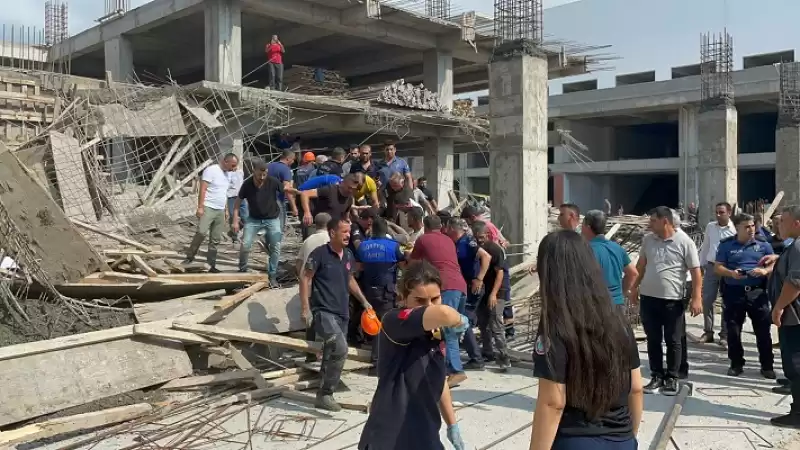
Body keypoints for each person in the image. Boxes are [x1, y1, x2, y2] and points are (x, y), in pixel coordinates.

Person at [530, 230, 643, 450]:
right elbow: (636, 387)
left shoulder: (555, 325)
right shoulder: (618, 319)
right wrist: (630, 437)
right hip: (622, 439)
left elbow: (553, 402)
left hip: (576, 439)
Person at [358, 261, 468, 450]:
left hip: (424, 431)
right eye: (420, 301)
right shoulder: (394, 321)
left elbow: (439, 377)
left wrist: (452, 424)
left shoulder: (435, 331)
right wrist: (459, 320)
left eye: (435, 298)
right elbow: (443, 312)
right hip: (391, 436)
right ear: (402, 298)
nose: (429, 306)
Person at [300, 218, 372, 411]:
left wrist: (364, 301)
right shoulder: (319, 254)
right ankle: (326, 393)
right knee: (340, 348)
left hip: (342, 312)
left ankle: (322, 394)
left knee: (331, 352)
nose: (348, 235)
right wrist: (305, 308)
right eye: (344, 231)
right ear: (332, 233)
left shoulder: (348, 255)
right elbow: (305, 278)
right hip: (323, 311)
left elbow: (349, 280)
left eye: (349, 231)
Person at [630, 206, 702, 396]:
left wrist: (697, 297)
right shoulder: (648, 240)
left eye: (653, 220)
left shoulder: (684, 242)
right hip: (648, 298)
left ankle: (672, 377)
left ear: (665, 221)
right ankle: (656, 375)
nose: (649, 224)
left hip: (672, 299)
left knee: (673, 339)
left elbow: (696, 272)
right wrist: (634, 287)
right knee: (653, 339)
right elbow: (641, 265)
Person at [410, 215, 470, 386]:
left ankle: (456, 371)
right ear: (441, 226)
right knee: (455, 327)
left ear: (425, 226)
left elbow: (413, 263)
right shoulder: (449, 240)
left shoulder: (423, 239)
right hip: (460, 285)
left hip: (446, 286)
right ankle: (450, 367)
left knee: (447, 328)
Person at [713, 213, 775, 378]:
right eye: (747, 226)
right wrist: (731, 273)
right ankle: (736, 363)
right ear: (737, 228)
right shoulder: (726, 245)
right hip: (734, 293)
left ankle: (767, 366)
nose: (751, 229)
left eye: (753, 225)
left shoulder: (763, 245)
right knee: (733, 331)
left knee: (763, 331)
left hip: (757, 292)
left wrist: (764, 270)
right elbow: (717, 267)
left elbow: (774, 263)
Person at [760, 206, 800, 427]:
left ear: (796, 224)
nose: (778, 225)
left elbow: (795, 282)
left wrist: (778, 307)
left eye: (783, 221)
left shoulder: (798, 247)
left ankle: (798, 414)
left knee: (795, 364)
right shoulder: (793, 247)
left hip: (794, 316)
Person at [233, 161, 298, 285]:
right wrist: (235, 220)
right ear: (254, 172)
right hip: (253, 219)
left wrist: (292, 192)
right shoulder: (247, 184)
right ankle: (242, 269)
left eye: (264, 175)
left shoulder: (272, 181)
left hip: (272, 219)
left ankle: (272, 275)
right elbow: (238, 202)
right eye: (259, 175)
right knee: (246, 244)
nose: (262, 178)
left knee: (275, 246)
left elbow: (284, 188)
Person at [357, 218, 407, 368]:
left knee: (372, 322)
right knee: (385, 325)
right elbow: (404, 265)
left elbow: (358, 267)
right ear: (386, 230)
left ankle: (376, 357)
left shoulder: (363, 246)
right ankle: (378, 361)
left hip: (367, 291)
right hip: (386, 291)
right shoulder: (393, 246)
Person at [447, 218, 491, 370]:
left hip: (473, 287)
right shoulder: (457, 244)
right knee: (462, 321)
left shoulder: (467, 242)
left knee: (462, 321)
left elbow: (486, 257)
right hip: (465, 286)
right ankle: (475, 357)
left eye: (448, 229)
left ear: (453, 229)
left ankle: (476, 358)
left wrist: (479, 279)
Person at [184, 153, 238, 272]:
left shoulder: (228, 175)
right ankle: (189, 257)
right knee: (201, 232)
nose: (234, 168)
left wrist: (226, 210)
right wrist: (200, 207)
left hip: (220, 210)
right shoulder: (211, 170)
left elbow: (224, 193)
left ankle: (211, 265)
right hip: (208, 206)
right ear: (225, 161)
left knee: (215, 239)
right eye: (233, 165)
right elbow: (202, 189)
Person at [471, 221, 511, 370]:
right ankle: (488, 353)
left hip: (497, 291)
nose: (479, 240)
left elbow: (500, 274)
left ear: (487, 235)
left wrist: (493, 294)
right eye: (476, 237)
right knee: (483, 324)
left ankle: (503, 357)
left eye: (481, 237)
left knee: (496, 324)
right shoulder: (475, 248)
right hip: (483, 291)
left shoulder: (494, 249)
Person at [581, 210, 638, 311]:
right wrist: (621, 293)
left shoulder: (585, 250)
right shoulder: (617, 248)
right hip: (617, 305)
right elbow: (633, 273)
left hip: (595, 307)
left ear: (587, 227)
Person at [698, 202, 735, 346]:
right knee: (707, 300)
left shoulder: (734, 230)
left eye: (722, 212)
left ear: (729, 213)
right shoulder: (710, 227)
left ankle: (724, 334)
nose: (719, 215)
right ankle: (708, 332)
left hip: (727, 268)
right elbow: (706, 245)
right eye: (717, 212)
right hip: (711, 266)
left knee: (727, 302)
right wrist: (701, 265)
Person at [267, 149, 298, 230]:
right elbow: (287, 189)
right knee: (279, 226)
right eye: (293, 159)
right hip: (277, 201)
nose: (293, 162)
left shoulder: (269, 166)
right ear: (288, 159)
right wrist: (294, 207)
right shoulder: (285, 169)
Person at [226, 162, 246, 244]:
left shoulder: (241, 172)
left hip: (241, 197)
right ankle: (235, 236)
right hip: (231, 197)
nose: (234, 167)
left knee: (246, 217)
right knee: (233, 216)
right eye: (232, 165)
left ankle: (232, 232)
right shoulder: (227, 174)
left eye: (235, 165)